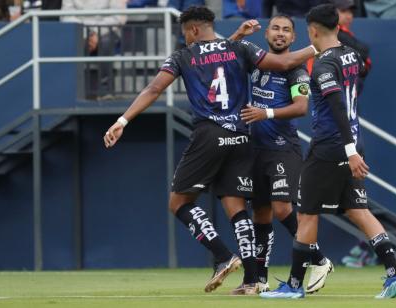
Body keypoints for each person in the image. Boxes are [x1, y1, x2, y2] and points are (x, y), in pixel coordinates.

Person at [103, 6, 317, 295]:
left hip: (209, 134)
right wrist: (319, 46)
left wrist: (122, 120)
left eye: (184, 32)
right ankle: (253, 280)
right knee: (236, 206)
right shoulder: (238, 47)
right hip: (242, 136)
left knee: (178, 202)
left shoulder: (183, 56)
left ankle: (221, 254)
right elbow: (282, 62)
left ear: (192, 30)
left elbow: (154, 89)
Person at [260, 4, 396, 299]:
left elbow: (338, 106)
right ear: (339, 27)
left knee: (306, 213)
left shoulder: (326, 64)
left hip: (331, 146)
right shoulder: (350, 55)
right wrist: (353, 147)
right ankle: (395, 273)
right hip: (353, 140)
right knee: (358, 210)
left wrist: (349, 150)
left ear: (313, 30)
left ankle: (293, 286)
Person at [230, 15, 334, 294]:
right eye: (275, 28)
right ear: (266, 34)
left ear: (293, 38)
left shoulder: (296, 70)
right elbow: (221, 56)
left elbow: (301, 107)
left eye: (286, 30)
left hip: (282, 149)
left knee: (282, 208)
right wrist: (238, 34)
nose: (280, 34)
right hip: (254, 150)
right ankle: (260, 279)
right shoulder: (253, 61)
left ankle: (320, 259)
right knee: (261, 216)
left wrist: (267, 112)